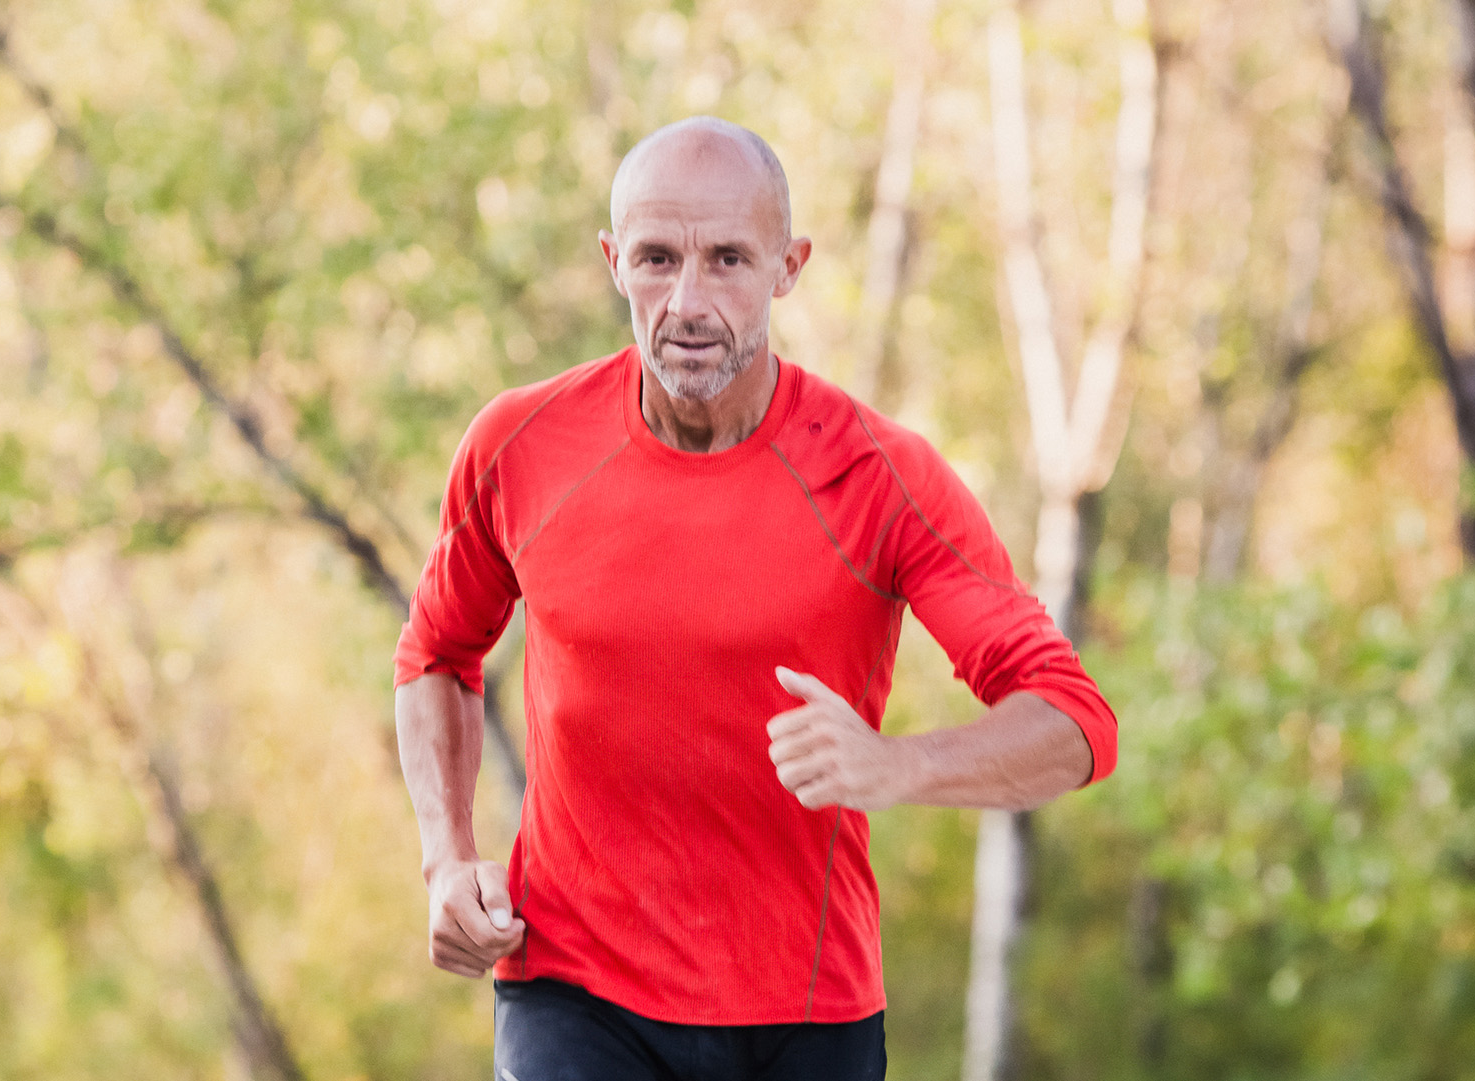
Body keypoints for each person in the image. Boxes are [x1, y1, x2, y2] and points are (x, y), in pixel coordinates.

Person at [393, 116, 1116, 1081]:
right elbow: (437, 654)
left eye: (727, 258)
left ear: (788, 265)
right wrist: (447, 857)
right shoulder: (520, 446)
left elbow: (1075, 722)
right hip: (573, 986)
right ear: (614, 262)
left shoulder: (879, 476)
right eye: (656, 258)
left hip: (806, 1013)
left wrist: (892, 765)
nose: (687, 301)